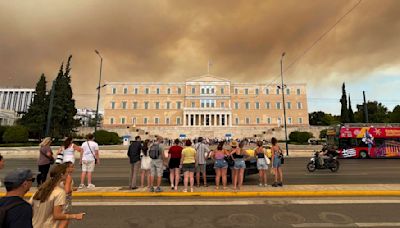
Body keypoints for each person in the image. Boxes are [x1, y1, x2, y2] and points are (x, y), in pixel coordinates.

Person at [59, 162, 78, 228]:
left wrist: (72, 188)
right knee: (65, 219)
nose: (73, 168)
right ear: (67, 168)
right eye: (72, 167)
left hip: (61, 199)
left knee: (63, 219)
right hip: (66, 200)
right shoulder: (68, 177)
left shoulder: (62, 176)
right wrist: (71, 189)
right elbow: (67, 190)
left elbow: (64, 187)